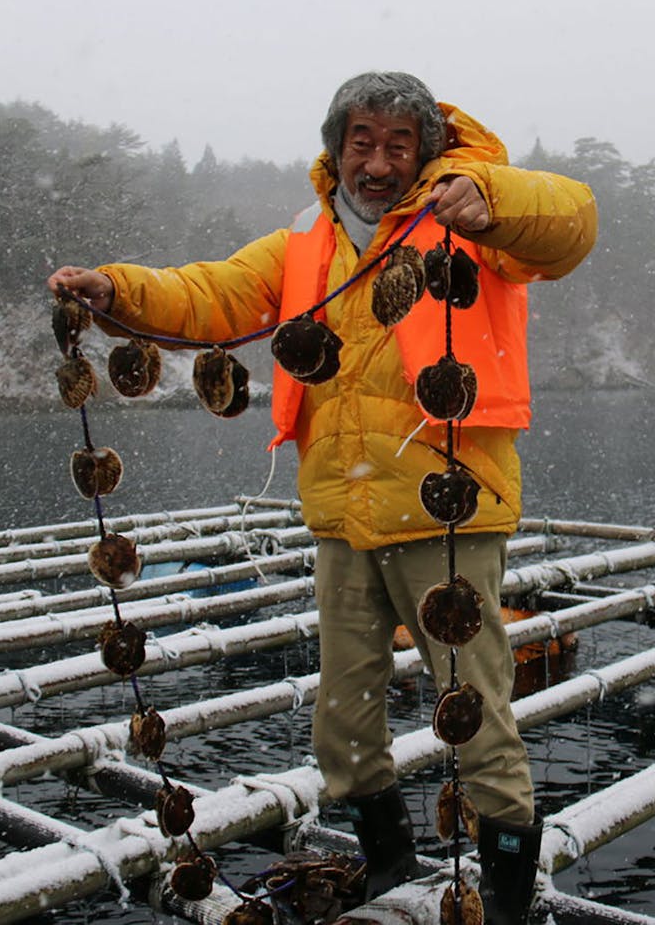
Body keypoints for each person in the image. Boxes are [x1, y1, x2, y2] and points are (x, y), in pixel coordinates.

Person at [48, 71, 596, 925]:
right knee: (340, 723)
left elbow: (571, 223)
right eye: (361, 142)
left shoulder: (473, 222)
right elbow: (212, 294)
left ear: (426, 150)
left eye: (397, 145)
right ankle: (387, 861)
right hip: (341, 512)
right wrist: (117, 290)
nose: (376, 163)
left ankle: (509, 898)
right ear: (335, 148)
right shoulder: (304, 241)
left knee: (478, 715)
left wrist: (487, 198)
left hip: (448, 508)